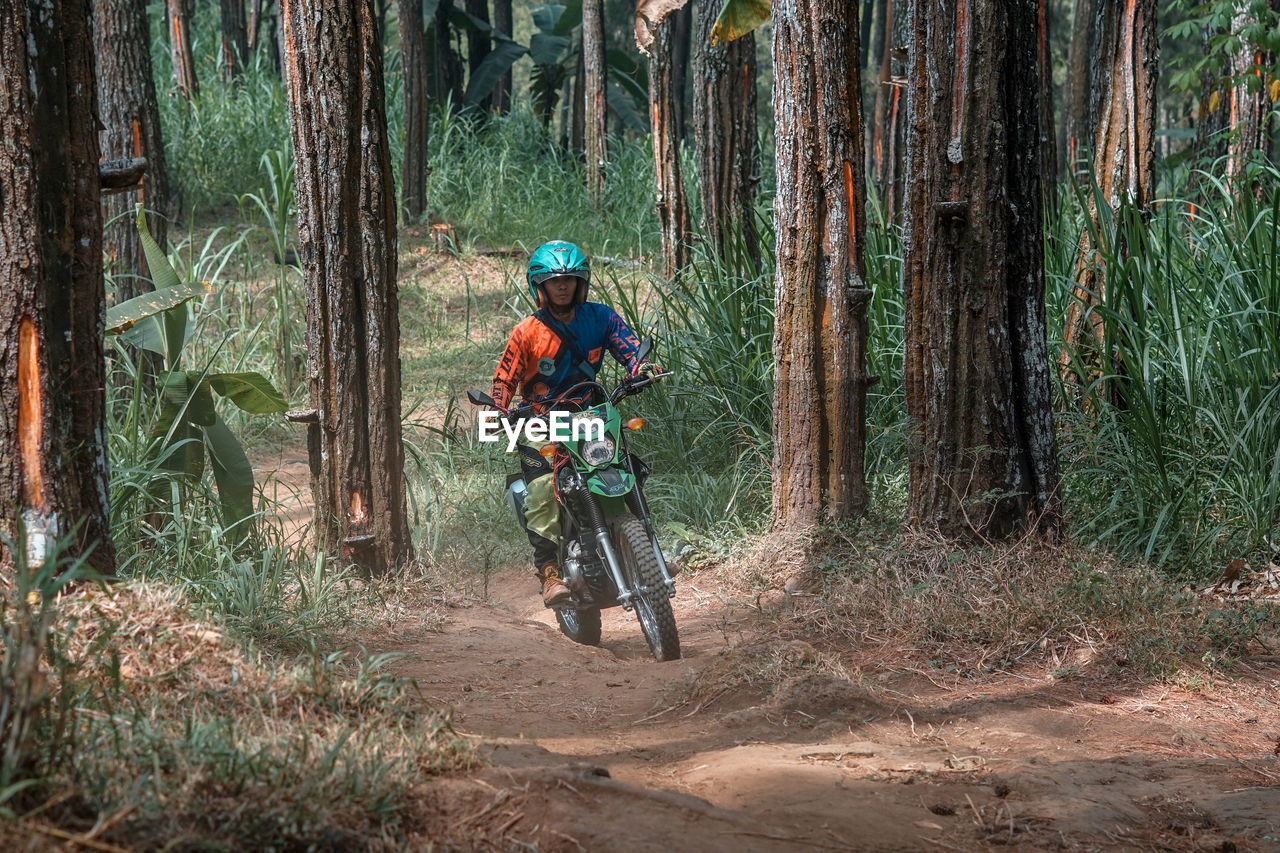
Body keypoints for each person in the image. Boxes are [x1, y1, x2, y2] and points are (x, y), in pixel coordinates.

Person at [490, 241, 659, 606]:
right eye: (554, 281)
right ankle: (549, 570)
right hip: (540, 419)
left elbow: (629, 347)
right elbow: (504, 379)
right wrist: (500, 408)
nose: (563, 286)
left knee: (626, 467)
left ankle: (649, 554)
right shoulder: (526, 332)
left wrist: (642, 368)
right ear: (541, 286)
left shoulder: (601, 317)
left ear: (581, 282)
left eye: (569, 279)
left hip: (592, 414)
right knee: (540, 489)